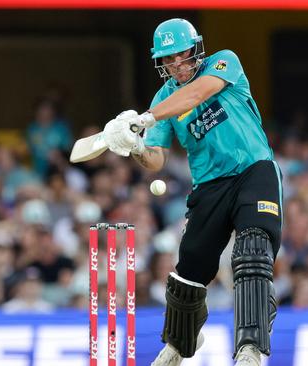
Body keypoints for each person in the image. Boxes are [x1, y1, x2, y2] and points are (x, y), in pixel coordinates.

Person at [102, 18, 282, 366]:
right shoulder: (163, 98)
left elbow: (198, 94)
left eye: (181, 55)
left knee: (252, 250)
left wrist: (144, 119)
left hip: (252, 171)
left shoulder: (223, 62)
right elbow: (155, 160)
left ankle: (251, 347)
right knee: (188, 272)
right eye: (167, 60)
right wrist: (133, 144)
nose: (176, 64)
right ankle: (180, 342)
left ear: (195, 49)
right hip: (210, 185)